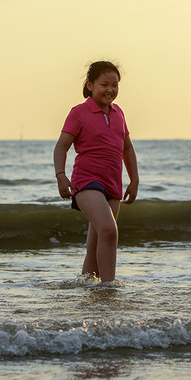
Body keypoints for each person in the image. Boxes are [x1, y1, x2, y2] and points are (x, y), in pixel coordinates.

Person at [53, 61, 139, 283]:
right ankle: (109, 288)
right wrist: (61, 176)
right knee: (109, 230)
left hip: (113, 185)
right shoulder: (79, 112)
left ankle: (88, 291)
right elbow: (61, 146)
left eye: (115, 84)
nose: (110, 89)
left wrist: (134, 180)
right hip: (87, 182)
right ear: (90, 85)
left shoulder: (119, 113)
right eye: (104, 84)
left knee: (95, 246)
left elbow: (127, 148)